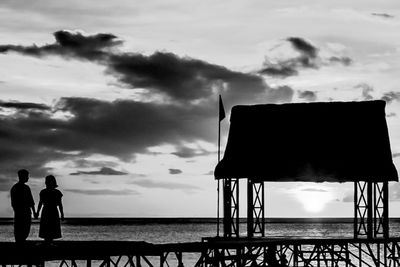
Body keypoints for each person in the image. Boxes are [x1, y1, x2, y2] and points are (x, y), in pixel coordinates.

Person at [36, 175, 64, 244]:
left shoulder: (46, 192)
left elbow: (60, 205)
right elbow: (40, 203)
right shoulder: (54, 192)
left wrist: (37, 212)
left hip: (49, 211)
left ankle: (48, 243)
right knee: (49, 228)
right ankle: (48, 243)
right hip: (51, 211)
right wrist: (37, 212)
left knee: (49, 228)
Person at [10, 169, 36, 243]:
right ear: (22, 176)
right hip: (24, 212)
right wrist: (34, 212)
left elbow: (13, 203)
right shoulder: (24, 188)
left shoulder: (15, 188)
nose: (28, 178)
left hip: (20, 212)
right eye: (27, 176)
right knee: (23, 230)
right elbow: (31, 202)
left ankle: (20, 243)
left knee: (20, 230)